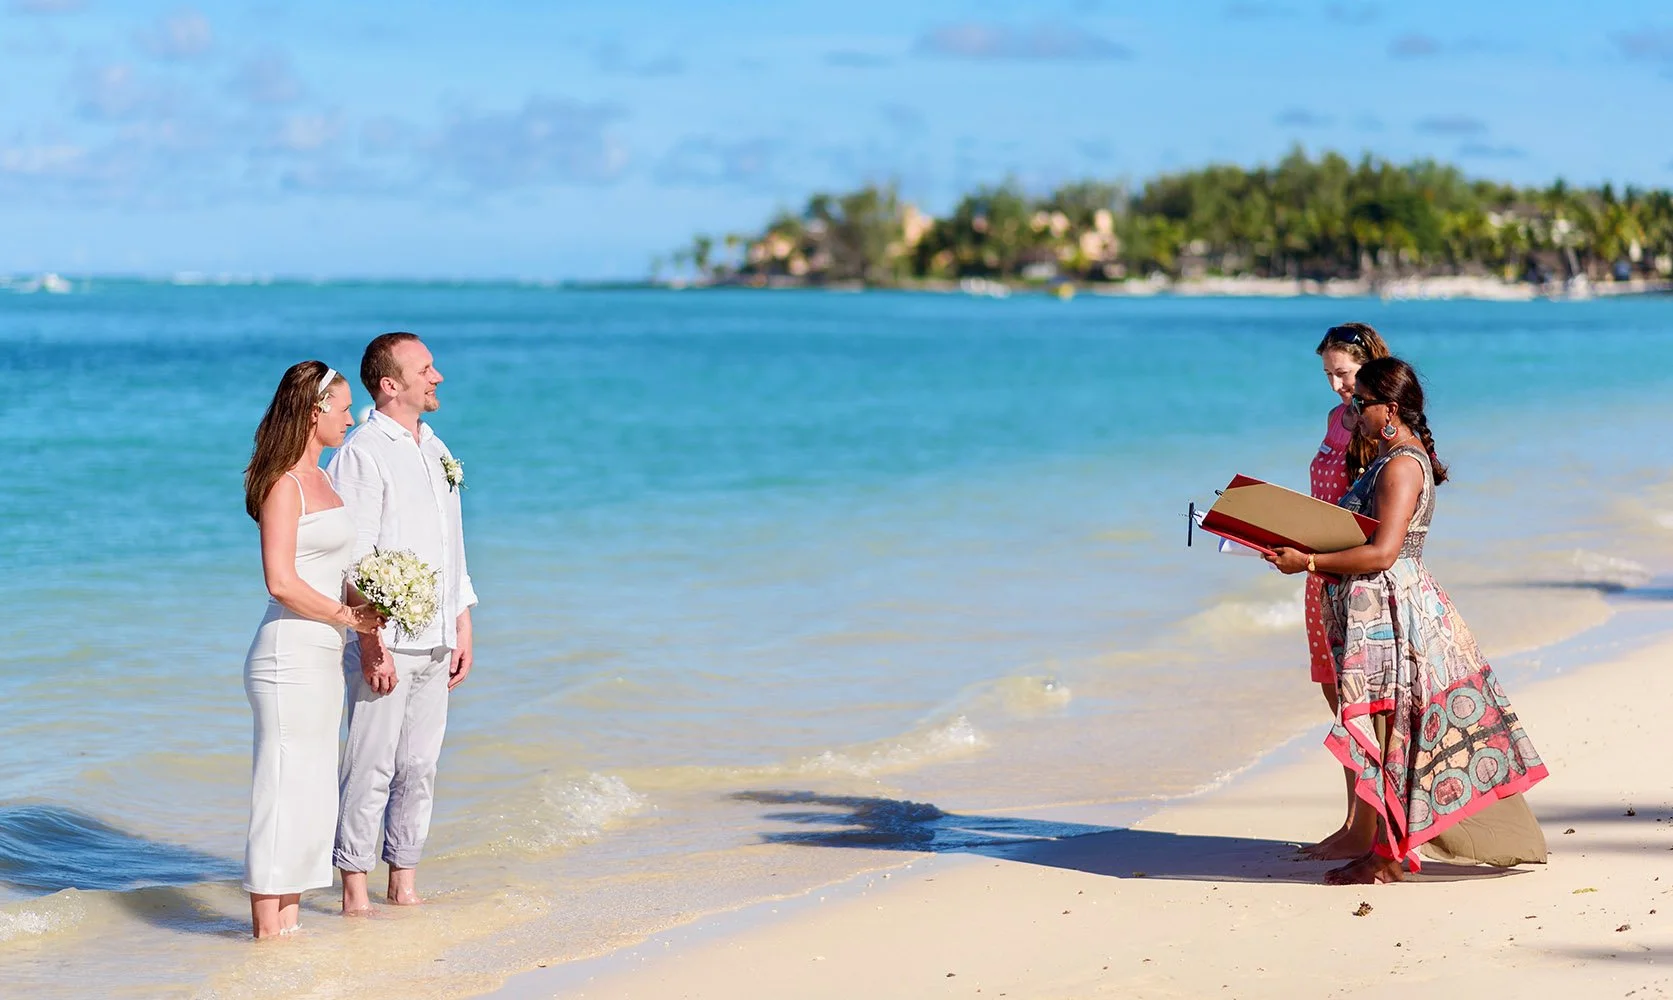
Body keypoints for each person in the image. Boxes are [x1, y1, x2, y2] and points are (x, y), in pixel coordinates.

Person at [1266, 357, 1548, 885]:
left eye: (1362, 403)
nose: (1354, 411)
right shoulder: (1392, 457)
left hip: (1395, 613)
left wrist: (1307, 562)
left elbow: (1383, 552)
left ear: (1389, 409)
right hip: (1385, 609)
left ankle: (1389, 856)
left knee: (1395, 727)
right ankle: (1386, 849)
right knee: (1397, 728)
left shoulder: (1399, 464)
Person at [329, 332, 477, 914]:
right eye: (426, 368)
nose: (437, 376)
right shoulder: (363, 451)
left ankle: (405, 881)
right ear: (391, 385)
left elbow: (451, 546)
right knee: (370, 764)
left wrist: (462, 621)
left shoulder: (437, 448)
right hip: (387, 640)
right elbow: (353, 556)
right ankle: (354, 891)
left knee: (420, 766)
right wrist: (370, 643)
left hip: (438, 637)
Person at [241, 361, 384, 938]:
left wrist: (372, 621)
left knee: (313, 791)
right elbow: (279, 580)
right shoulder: (284, 484)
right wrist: (349, 616)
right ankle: (264, 933)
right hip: (286, 655)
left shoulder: (326, 479)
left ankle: (289, 927)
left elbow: (340, 570)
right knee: (281, 788)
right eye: (345, 408)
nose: (352, 418)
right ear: (314, 411)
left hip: (324, 653)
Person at [1299, 323, 1390, 861]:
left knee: (1364, 704)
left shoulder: (1381, 422)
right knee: (1336, 700)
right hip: (1318, 576)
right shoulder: (1337, 418)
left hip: (1357, 578)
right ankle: (1354, 817)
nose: (1336, 386)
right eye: (1329, 375)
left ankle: (1373, 827)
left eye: (1344, 373)